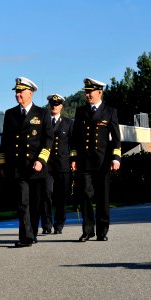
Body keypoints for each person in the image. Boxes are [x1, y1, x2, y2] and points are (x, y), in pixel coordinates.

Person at [0, 77, 53, 247]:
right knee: (22, 202)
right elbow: (5, 141)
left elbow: (48, 140)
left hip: (36, 166)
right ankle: (26, 236)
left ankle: (33, 233)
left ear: (30, 93)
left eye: (21, 91)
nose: (18, 94)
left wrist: (41, 160)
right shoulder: (10, 114)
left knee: (36, 203)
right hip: (18, 166)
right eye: (16, 92)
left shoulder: (42, 113)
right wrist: (3, 163)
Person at [71, 78, 121, 242]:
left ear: (99, 92)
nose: (87, 94)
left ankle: (102, 231)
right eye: (85, 91)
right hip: (84, 161)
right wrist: (74, 158)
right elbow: (75, 138)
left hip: (103, 161)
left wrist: (116, 157)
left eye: (89, 91)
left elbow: (116, 138)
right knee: (85, 194)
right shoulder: (80, 111)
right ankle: (88, 230)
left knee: (102, 197)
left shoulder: (110, 111)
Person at [40, 94, 73, 235]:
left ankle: (59, 224)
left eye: (57, 103)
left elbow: (73, 144)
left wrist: (73, 161)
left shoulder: (68, 123)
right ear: (49, 105)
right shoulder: (43, 121)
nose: (54, 106)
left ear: (61, 106)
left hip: (62, 165)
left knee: (61, 196)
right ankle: (46, 224)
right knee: (46, 194)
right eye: (52, 104)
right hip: (47, 165)